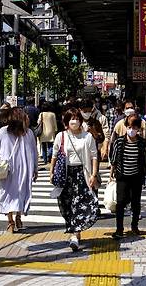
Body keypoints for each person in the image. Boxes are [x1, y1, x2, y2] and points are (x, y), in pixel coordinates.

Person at [50, 108, 100, 252]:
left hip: (82, 174)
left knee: (81, 203)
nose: (75, 121)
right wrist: (51, 172)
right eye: (71, 118)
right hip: (66, 175)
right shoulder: (61, 136)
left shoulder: (87, 137)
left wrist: (93, 174)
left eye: (77, 118)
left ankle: (75, 235)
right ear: (66, 121)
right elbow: (54, 154)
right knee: (67, 204)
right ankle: (74, 231)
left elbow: (94, 156)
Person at [0, 107, 38, 233]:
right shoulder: (28, 133)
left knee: (7, 194)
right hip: (24, 169)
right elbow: (34, 152)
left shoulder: (4, 131)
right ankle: (18, 217)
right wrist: (35, 168)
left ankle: (10, 222)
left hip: (7, 169)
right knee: (21, 193)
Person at [109, 114, 146, 239]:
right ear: (126, 127)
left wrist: (145, 176)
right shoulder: (119, 142)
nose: (132, 130)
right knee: (120, 203)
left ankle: (134, 226)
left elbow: (145, 160)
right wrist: (111, 174)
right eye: (129, 127)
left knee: (136, 202)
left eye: (135, 127)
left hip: (136, 176)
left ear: (138, 129)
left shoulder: (142, 143)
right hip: (122, 176)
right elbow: (114, 159)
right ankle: (119, 229)